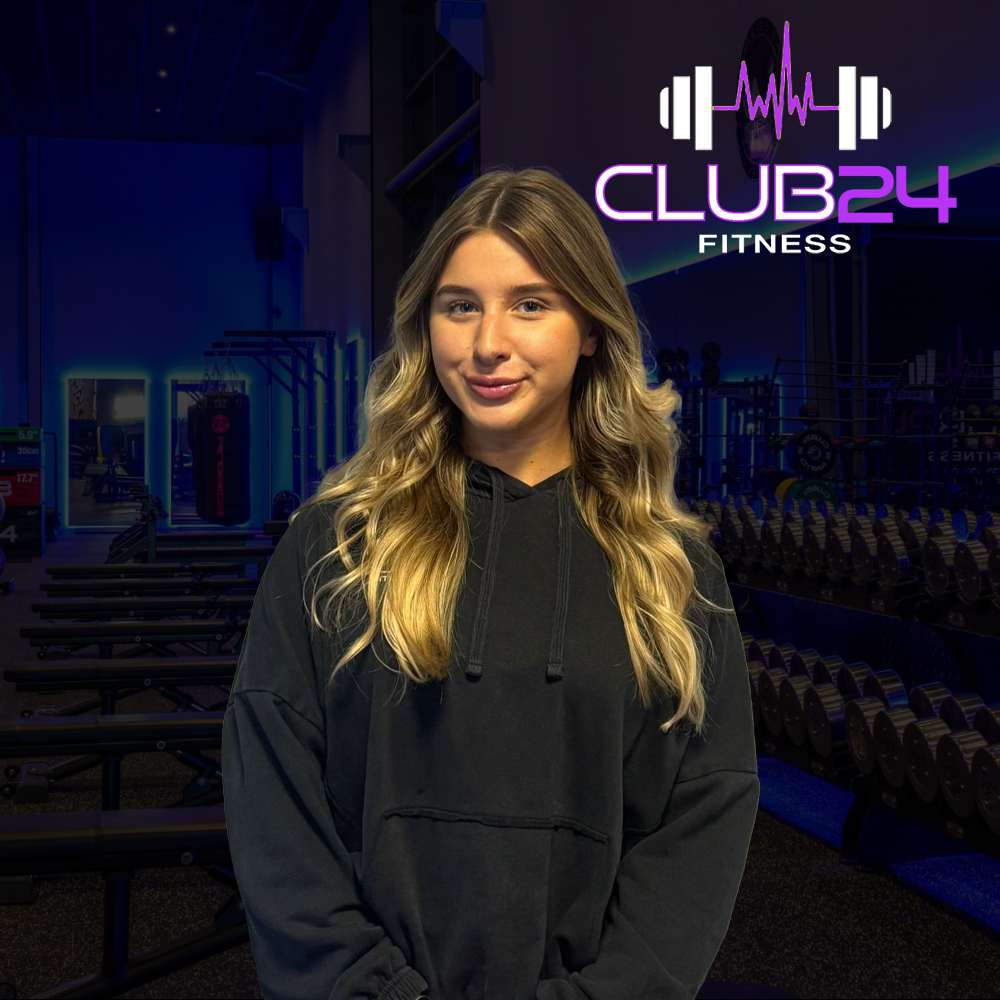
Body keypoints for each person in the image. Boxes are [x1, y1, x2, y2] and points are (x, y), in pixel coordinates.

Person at [221, 166, 759, 1000]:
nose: (487, 344)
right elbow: (274, 804)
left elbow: (702, 819)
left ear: (590, 328)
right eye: (459, 304)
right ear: (426, 324)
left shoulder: (670, 572)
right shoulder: (337, 544)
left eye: (531, 304)